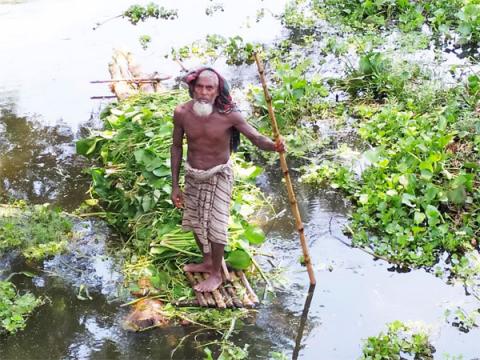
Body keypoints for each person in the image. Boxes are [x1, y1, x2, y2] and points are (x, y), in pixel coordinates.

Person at [170, 67, 285, 292]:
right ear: (193, 89)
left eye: (209, 88)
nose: (203, 92)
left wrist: (274, 146)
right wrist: (175, 185)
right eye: (200, 87)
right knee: (196, 219)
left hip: (219, 174)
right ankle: (206, 260)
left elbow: (255, 137)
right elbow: (176, 146)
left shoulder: (229, 115)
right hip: (193, 174)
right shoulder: (182, 113)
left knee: (216, 224)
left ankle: (216, 274)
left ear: (217, 91)